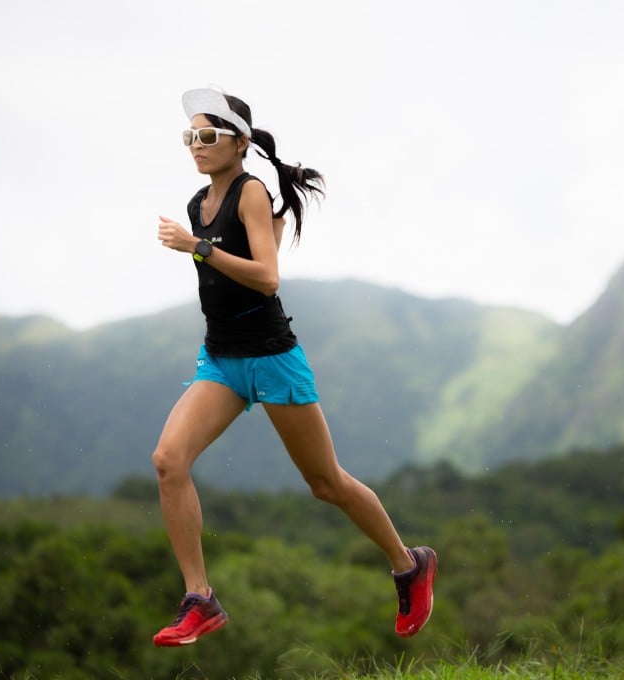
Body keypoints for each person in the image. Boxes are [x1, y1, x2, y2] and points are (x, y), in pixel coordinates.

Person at [151, 86, 437, 647]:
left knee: (326, 483)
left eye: (207, 135)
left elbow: (267, 277)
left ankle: (409, 565)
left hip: (272, 358)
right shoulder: (197, 204)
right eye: (190, 136)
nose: (196, 145)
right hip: (222, 360)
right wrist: (204, 242)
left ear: (239, 143)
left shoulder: (251, 192)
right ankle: (199, 599)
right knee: (168, 461)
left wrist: (197, 247)